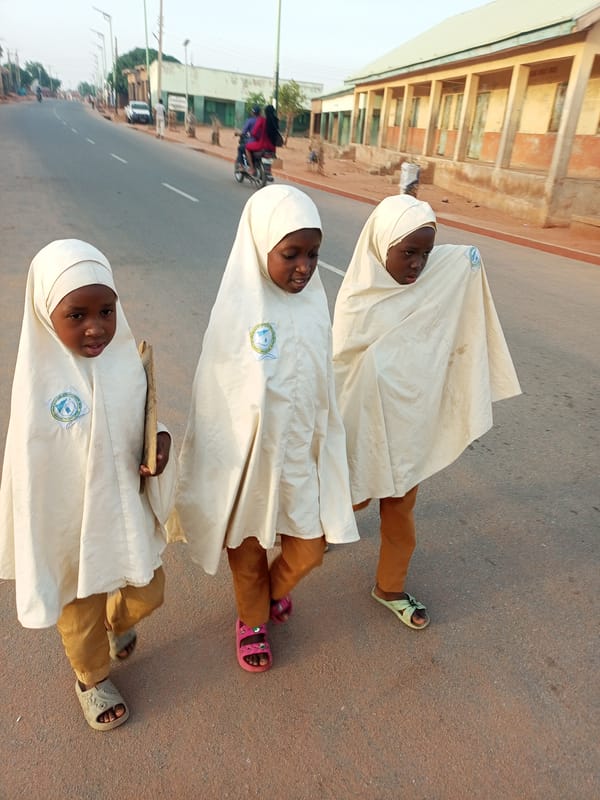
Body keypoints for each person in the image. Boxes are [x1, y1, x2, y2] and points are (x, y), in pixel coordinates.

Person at [168, 186, 359, 672]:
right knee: (248, 546)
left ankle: (270, 594)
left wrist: (323, 446)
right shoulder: (238, 312)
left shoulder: (315, 303)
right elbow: (218, 399)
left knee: (311, 547)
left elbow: (320, 382)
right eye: (290, 254)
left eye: (313, 254)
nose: (304, 267)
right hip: (247, 461)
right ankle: (252, 620)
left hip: (297, 455)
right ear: (260, 249)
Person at [0, 239, 176, 731]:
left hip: (122, 516)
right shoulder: (38, 390)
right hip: (73, 535)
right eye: (76, 315)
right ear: (45, 314)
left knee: (148, 593)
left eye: (106, 310)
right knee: (79, 622)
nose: (96, 326)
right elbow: (35, 476)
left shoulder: (124, 364)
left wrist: (159, 443)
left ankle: (117, 623)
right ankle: (91, 679)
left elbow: (144, 424)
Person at [332, 195, 521, 630]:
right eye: (408, 253)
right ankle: (299, 554)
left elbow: (463, 261)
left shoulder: (432, 279)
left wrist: (471, 260)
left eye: (425, 253)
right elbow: (343, 368)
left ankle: (390, 586)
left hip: (408, 430)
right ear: (382, 248)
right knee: (343, 498)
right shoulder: (359, 301)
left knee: (400, 510)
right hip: (365, 430)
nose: (417, 264)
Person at [245, 104, 280, 176]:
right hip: (273, 148)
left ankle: (252, 168)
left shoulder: (262, 120)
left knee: (247, 147)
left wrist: (255, 136)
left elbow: (254, 133)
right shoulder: (276, 121)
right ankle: (266, 170)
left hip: (262, 145)